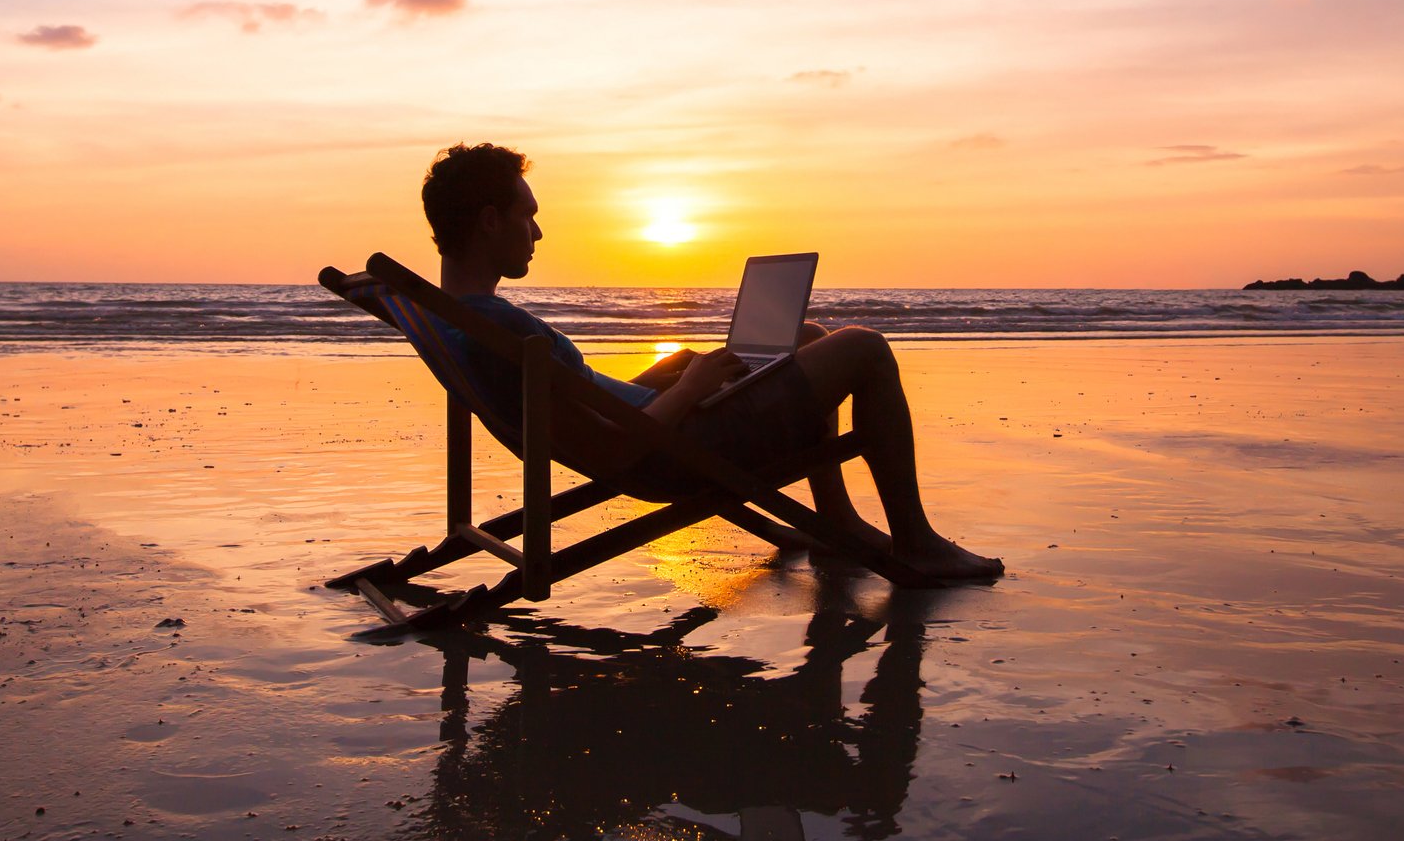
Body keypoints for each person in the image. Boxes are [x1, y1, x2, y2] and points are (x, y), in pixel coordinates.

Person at [422, 142, 1002, 581]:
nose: (539, 231)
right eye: (528, 215)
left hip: (664, 423)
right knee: (863, 348)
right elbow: (612, 450)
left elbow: (585, 408)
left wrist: (672, 372)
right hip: (677, 451)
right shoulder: (498, 328)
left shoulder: (455, 319)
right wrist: (689, 387)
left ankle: (836, 520)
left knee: (807, 335)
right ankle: (916, 543)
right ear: (491, 221)